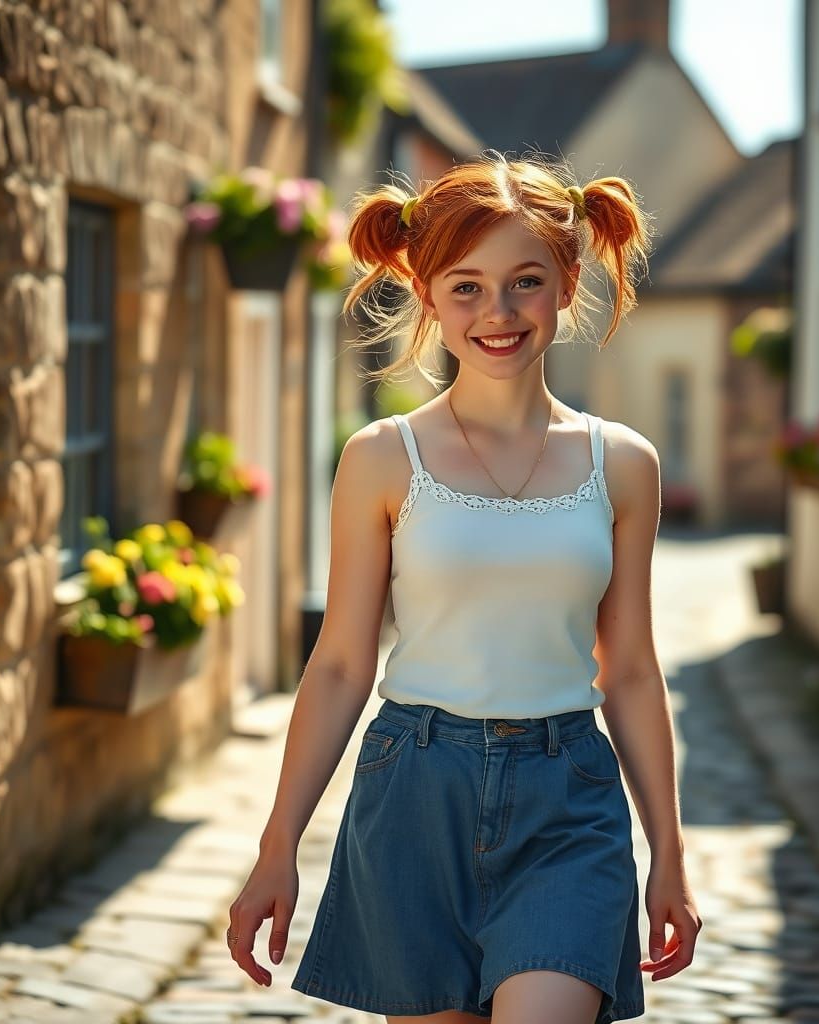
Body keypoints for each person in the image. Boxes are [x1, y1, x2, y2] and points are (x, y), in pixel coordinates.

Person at [225, 151, 701, 1024]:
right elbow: (338, 665)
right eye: (467, 286)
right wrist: (277, 846)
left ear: (566, 280)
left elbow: (629, 667)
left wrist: (668, 850)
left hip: (569, 802)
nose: (499, 312)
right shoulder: (380, 458)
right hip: (413, 794)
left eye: (525, 281)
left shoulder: (624, 465)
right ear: (427, 291)